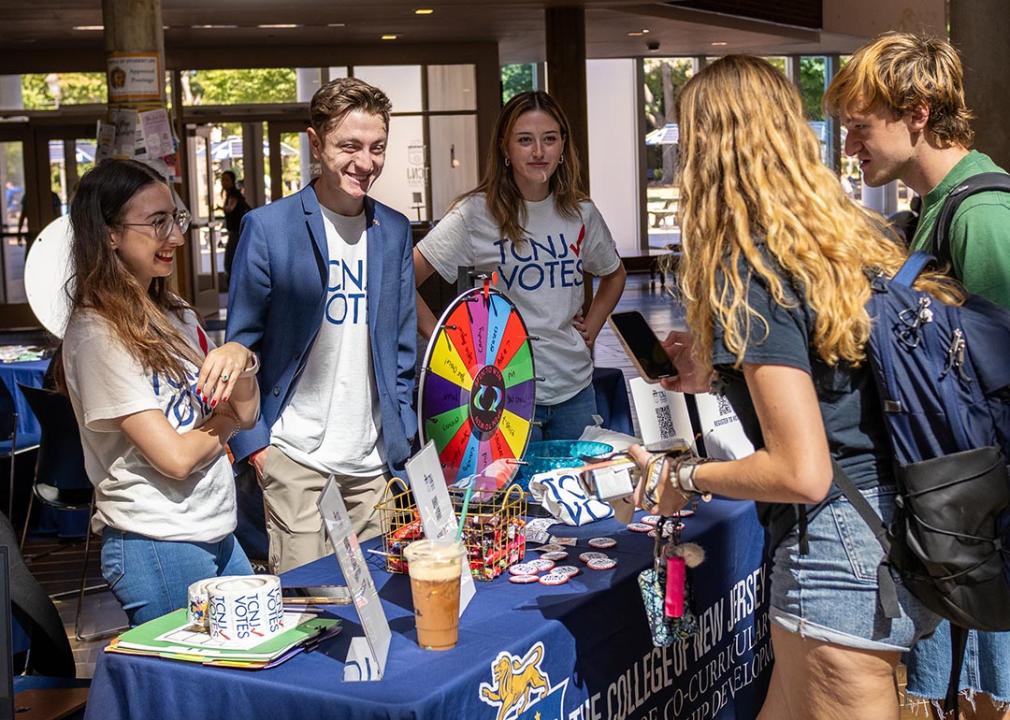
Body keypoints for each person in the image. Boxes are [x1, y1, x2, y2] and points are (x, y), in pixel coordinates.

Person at [626, 55, 963, 719]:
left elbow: (802, 471)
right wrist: (716, 371)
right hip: (895, 533)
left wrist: (687, 477)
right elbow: (832, 378)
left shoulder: (749, 266)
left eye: (690, 139)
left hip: (838, 552)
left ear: (713, 149)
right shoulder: (842, 239)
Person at [825, 32, 1010, 719]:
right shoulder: (931, 211)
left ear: (918, 113)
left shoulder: (982, 212)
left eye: (861, 126)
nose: (850, 146)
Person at [226, 78, 417, 574]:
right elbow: (241, 345)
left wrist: (403, 434)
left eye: (377, 148)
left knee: (379, 603)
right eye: (348, 146)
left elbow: (400, 349)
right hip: (294, 458)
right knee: (308, 607)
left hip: (374, 464)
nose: (365, 162)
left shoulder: (393, 230)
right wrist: (256, 445)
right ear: (315, 143)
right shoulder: (269, 228)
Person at [59, 159, 260, 626]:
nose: (176, 237)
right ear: (109, 233)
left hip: (214, 529)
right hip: (157, 541)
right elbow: (173, 457)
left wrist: (240, 360)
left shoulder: (177, 313)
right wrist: (226, 420)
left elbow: (248, 413)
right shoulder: (97, 333)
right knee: (191, 690)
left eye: (176, 219)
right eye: (157, 223)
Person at [414, 90, 626, 442]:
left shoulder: (580, 213)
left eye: (549, 139)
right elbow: (405, 280)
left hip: (575, 389)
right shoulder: (475, 214)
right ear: (505, 148)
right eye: (525, 140)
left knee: (576, 495)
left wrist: (593, 322)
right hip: (504, 396)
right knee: (516, 498)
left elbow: (614, 273)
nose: (539, 152)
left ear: (562, 147)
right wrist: (446, 346)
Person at [220, 169, 251, 282]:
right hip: (237, 232)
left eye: (226, 179)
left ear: (232, 181)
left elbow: (230, 208)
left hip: (237, 233)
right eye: (222, 179)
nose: (223, 182)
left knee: (230, 263)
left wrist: (220, 208)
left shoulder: (234, 194)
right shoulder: (230, 194)